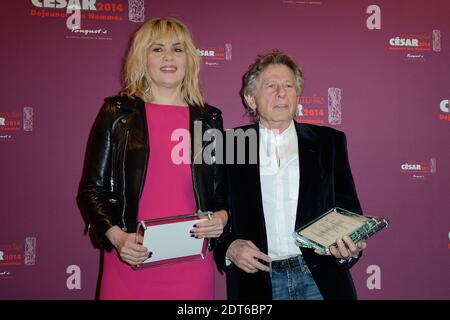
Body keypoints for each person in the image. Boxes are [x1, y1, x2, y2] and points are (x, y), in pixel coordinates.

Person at [77, 17, 228, 300]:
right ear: (142, 57)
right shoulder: (116, 113)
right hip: (130, 260)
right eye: (157, 49)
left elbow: (221, 193)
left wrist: (220, 217)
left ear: (189, 59)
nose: (168, 57)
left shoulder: (209, 119)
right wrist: (118, 238)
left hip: (191, 265)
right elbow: (90, 190)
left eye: (178, 49)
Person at [214, 51, 366, 300]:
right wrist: (228, 247)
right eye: (271, 86)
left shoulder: (329, 142)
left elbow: (348, 209)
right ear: (251, 99)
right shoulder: (229, 144)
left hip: (320, 279)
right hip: (258, 280)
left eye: (289, 86)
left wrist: (351, 245)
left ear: (297, 96)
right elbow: (214, 211)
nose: (282, 93)